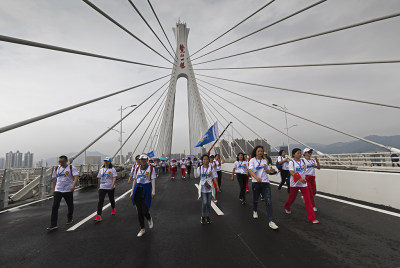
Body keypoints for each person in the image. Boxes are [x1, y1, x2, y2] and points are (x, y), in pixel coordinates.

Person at [284, 148, 319, 224]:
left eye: (300, 153)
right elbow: (291, 172)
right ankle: (287, 206)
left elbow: (309, 168)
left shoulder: (303, 161)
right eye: (298, 153)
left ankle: (312, 218)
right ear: (293, 154)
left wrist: (316, 162)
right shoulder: (291, 162)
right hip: (295, 183)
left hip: (303, 183)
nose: (299, 154)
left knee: (308, 201)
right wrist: (299, 178)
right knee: (292, 198)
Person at [248, 146, 279, 230]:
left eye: (261, 151)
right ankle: (255, 210)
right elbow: (250, 170)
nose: (260, 152)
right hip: (256, 183)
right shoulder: (252, 160)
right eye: (259, 151)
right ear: (255, 152)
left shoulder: (264, 160)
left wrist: (271, 171)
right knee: (255, 199)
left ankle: (271, 221)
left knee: (268, 201)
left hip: (265, 182)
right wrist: (256, 177)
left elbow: (266, 170)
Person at [47, 155, 79, 231]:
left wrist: (73, 186)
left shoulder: (71, 168)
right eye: (59, 161)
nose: (60, 163)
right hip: (58, 189)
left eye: (62, 161)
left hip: (68, 190)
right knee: (55, 206)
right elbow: (54, 178)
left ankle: (69, 218)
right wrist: (54, 189)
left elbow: (76, 177)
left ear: (66, 161)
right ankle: (53, 224)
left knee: (70, 205)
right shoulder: (57, 168)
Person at [130, 154, 156, 237]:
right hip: (138, 189)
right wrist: (132, 192)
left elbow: (152, 180)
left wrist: (153, 191)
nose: (142, 161)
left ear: (147, 160)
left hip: (147, 189)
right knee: (139, 211)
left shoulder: (151, 168)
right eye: (141, 159)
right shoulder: (137, 168)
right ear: (139, 160)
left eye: (144, 159)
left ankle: (149, 218)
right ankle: (142, 229)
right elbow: (135, 180)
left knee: (144, 210)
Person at [197, 154, 219, 224]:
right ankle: (203, 217)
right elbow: (196, 176)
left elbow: (214, 177)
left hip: (209, 188)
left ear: (209, 160)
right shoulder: (199, 168)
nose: (205, 160)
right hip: (203, 188)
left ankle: (208, 216)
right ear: (202, 160)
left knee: (209, 203)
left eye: (207, 159)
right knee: (204, 202)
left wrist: (217, 186)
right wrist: (195, 168)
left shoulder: (211, 168)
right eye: (204, 159)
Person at [93, 157, 117, 222]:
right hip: (102, 187)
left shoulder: (112, 169)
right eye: (105, 161)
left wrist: (112, 184)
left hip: (110, 187)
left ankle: (113, 208)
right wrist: (98, 187)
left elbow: (114, 177)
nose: (106, 162)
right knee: (100, 201)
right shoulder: (101, 170)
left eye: (107, 161)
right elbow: (99, 178)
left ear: (109, 162)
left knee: (111, 199)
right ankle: (99, 215)